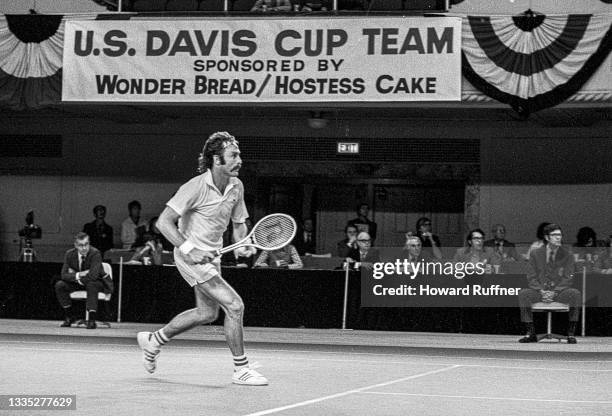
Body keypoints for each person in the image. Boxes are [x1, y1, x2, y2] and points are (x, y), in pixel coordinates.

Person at [136, 131, 267, 386]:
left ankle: (154, 341)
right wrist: (190, 249)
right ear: (217, 160)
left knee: (206, 313)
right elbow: (163, 223)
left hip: (212, 256)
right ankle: (241, 369)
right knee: (235, 306)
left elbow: (239, 224)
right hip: (190, 256)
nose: (240, 160)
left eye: (239, 154)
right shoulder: (194, 187)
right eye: (234, 155)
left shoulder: (236, 185)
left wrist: (243, 244)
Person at [518, 224, 580, 344]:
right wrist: (541, 291)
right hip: (540, 291)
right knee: (524, 294)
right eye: (555, 235)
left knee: (575, 294)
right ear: (547, 237)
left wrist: (555, 291)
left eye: (560, 235)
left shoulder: (568, 255)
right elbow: (531, 276)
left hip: (559, 292)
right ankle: (531, 333)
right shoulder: (535, 253)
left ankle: (571, 334)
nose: (558, 238)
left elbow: (568, 277)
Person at [54, 232, 106, 329]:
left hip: (96, 282)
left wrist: (74, 275)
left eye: (86, 244)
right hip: (78, 281)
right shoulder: (69, 254)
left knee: (92, 284)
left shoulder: (95, 253)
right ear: (76, 245)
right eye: (81, 245)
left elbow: (94, 276)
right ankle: (69, 316)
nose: (84, 248)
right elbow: (64, 275)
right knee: (60, 285)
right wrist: (79, 274)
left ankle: (91, 319)